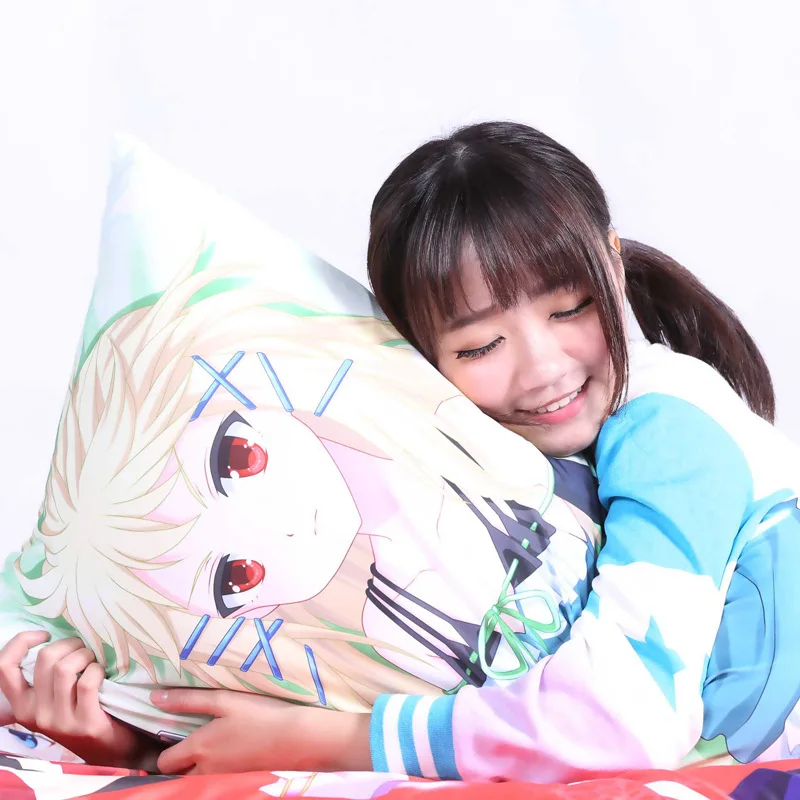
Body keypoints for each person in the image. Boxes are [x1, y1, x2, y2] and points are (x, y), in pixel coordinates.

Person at [0, 235, 602, 772]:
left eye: (238, 460)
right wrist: (128, 750)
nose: (280, 527)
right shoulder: (368, 656)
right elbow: (251, 751)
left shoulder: (546, 425)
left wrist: (333, 740)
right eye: (237, 576)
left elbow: (613, 720)